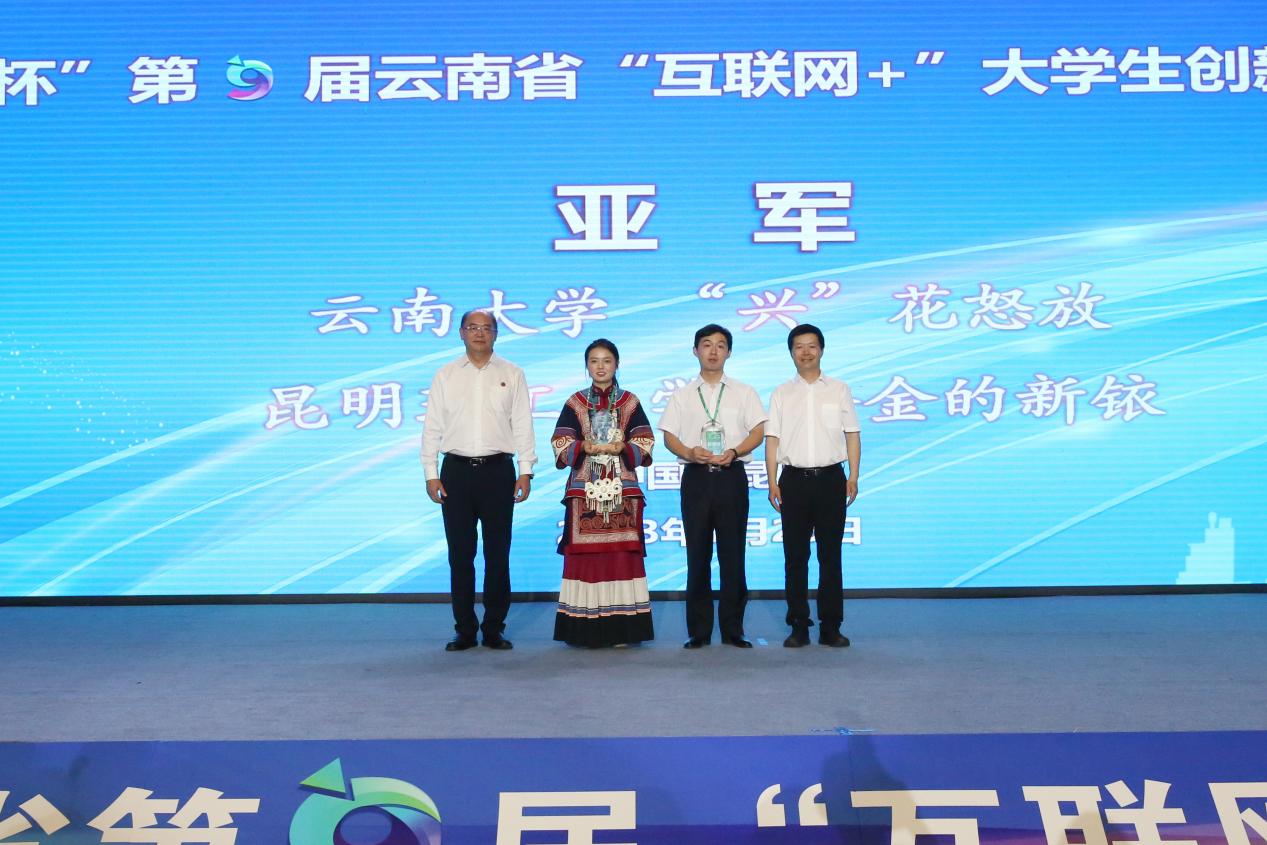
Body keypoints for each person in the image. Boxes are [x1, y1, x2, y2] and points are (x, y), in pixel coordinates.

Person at [421, 309, 536, 652]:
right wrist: (430, 473)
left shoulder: (512, 373)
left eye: (486, 328)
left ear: (496, 334)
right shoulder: (445, 375)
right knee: (460, 555)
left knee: (498, 554)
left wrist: (525, 470)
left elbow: (522, 424)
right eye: (472, 327)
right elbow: (432, 427)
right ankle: (465, 629)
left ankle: (494, 628)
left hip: (498, 471)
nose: (479, 333)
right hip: (455, 472)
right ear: (461, 333)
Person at [658, 324, 767, 649]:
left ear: (729, 352)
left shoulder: (744, 392)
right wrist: (689, 452)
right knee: (698, 555)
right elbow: (669, 436)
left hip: (732, 475)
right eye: (707, 344)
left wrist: (735, 451)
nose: (713, 351)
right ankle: (699, 631)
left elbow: (758, 431)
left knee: (733, 555)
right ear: (695, 351)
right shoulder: (682, 395)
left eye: (721, 345)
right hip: (696, 477)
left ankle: (733, 630)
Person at [551, 339, 656, 648]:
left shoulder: (629, 402)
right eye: (594, 361)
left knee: (622, 557)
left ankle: (623, 630)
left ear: (617, 365)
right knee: (586, 560)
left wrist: (622, 446)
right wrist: (584, 446)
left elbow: (645, 441)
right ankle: (584, 631)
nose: (600, 366)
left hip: (622, 490)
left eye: (607, 360)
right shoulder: (575, 403)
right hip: (585, 491)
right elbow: (560, 443)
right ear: (587, 366)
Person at [764, 324, 861, 648]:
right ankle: (799, 625)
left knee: (830, 556)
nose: (805, 352)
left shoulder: (839, 389)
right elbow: (773, 439)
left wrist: (853, 475)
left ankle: (831, 626)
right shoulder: (781, 392)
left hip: (832, 479)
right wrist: (772, 481)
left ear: (821, 350)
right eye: (799, 347)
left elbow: (852, 434)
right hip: (793, 481)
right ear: (791, 352)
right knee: (795, 557)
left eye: (811, 346)